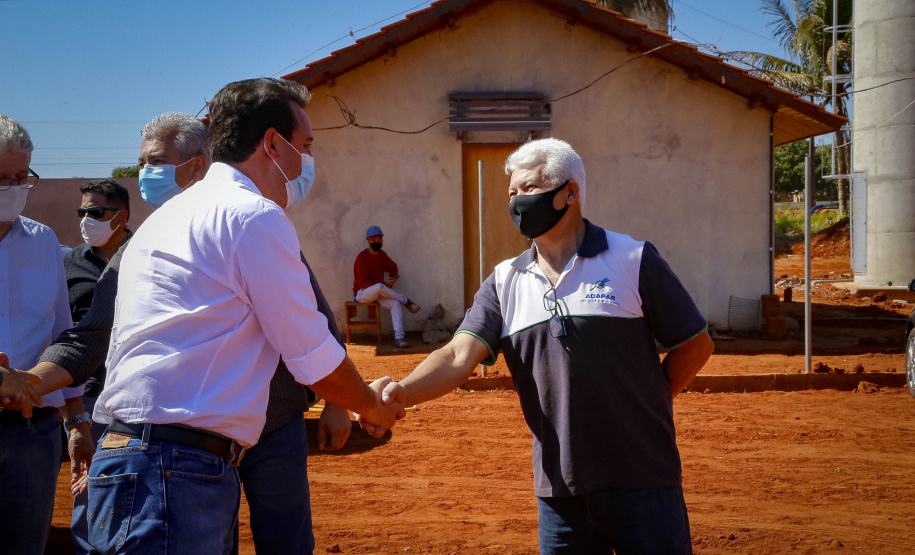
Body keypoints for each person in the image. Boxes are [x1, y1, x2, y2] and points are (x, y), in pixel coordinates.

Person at [87, 79, 404, 554]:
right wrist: (371, 406)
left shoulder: (169, 217)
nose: (307, 161)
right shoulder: (252, 217)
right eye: (305, 146)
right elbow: (311, 355)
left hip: (143, 460)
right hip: (175, 470)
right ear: (272, 143)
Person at [375, 138, 714, 554]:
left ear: (570, 193)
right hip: (559, 492)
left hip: (644, 481)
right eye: (512, 193)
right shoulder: (504, 281)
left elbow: (696, 343)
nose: (518, 202)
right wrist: (400, 391)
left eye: (530, 190)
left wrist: (654, 398)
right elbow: (456, 355)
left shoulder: (632, 259)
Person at [0, 114, 88, 555]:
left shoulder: (43, 242)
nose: (12, 188)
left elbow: (62, 332)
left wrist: (77, 420)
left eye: (21, 177)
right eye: (1, 178)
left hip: (30, 436)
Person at [64, 178, 131, 553]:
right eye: (82, 212)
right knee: (88, 488)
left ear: (121, 216)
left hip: (140, 397)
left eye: (96, 212)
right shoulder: (69, 264)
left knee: (137, 484)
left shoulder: (148, 253)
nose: (86, 220)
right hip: (89, 397)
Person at [353, 225, 421, 348]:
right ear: (368, 241)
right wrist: (383, 283)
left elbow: (393, 267)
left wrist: (391, 280)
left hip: (378, 293)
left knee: (394, 304)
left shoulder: (382, 255)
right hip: (362, 294)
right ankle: (404, 300)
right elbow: (363, 283)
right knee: (380, 286)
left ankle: (399, 338)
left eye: (380, 239)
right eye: (374, 239)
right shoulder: (361, 258)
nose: (377, 241)